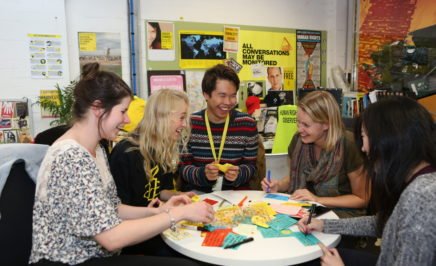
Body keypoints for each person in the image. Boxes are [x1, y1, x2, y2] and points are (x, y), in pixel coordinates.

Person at [29, 62, 214, 266]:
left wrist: (157, 211)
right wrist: (177, 214)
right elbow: (111, 238)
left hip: (96, 256)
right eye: (122, 111)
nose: (127, 120)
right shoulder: (71, 157)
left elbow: (112, 208)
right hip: (73, 260)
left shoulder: (96, 149)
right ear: (98, 108)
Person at [298, 96, 436, 266]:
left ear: (388, 140)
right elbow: (381, 223)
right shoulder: (417, 179)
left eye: (364, 137)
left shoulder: (422, 196)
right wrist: (324, 224)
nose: (363, 148)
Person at [261, 91, 368, 218]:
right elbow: (294, 177)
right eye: (298, 122)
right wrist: (278, 185)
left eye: (306, 125)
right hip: (306, 209)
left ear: (326, 124)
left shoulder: (349, 145)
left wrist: (317, 199)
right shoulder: (298, 141)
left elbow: (362, 198)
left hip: (342, 214)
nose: (300, 129)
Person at [179, 64, 259, 193]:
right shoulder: (189, 124)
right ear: (206, 94)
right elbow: (183, 168)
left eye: (233, 95)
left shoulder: (247, 124)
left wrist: (238, 174)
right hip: (198, 195)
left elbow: (251, 166)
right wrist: (203, 174)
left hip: (236, 195)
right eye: (222, 95)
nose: (228, 102)